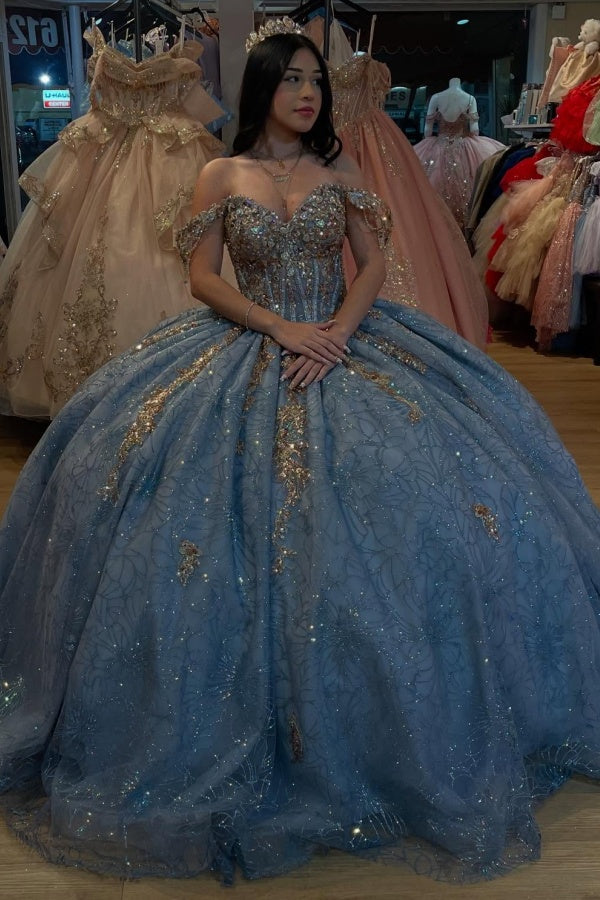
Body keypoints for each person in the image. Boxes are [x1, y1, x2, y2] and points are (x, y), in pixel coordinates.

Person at [1, 20, 600, 887]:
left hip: (343, 339)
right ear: (262, 90)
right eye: (292, 80)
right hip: (251, 339)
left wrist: (336, 334)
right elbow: (204, 276)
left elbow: (372, 263)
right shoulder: (221, 173)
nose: (309, 93)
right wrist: (280, 328)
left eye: (316, 80)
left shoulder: (341, 170)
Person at [413, 78, 505, 230]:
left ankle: (438, 226)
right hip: (462, 143)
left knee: (432, 182)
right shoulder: (469, 99)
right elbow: (475, 130)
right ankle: (465, 227)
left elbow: (427, 131)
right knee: (471, 181)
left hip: (439, 144)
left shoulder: (436, 98)